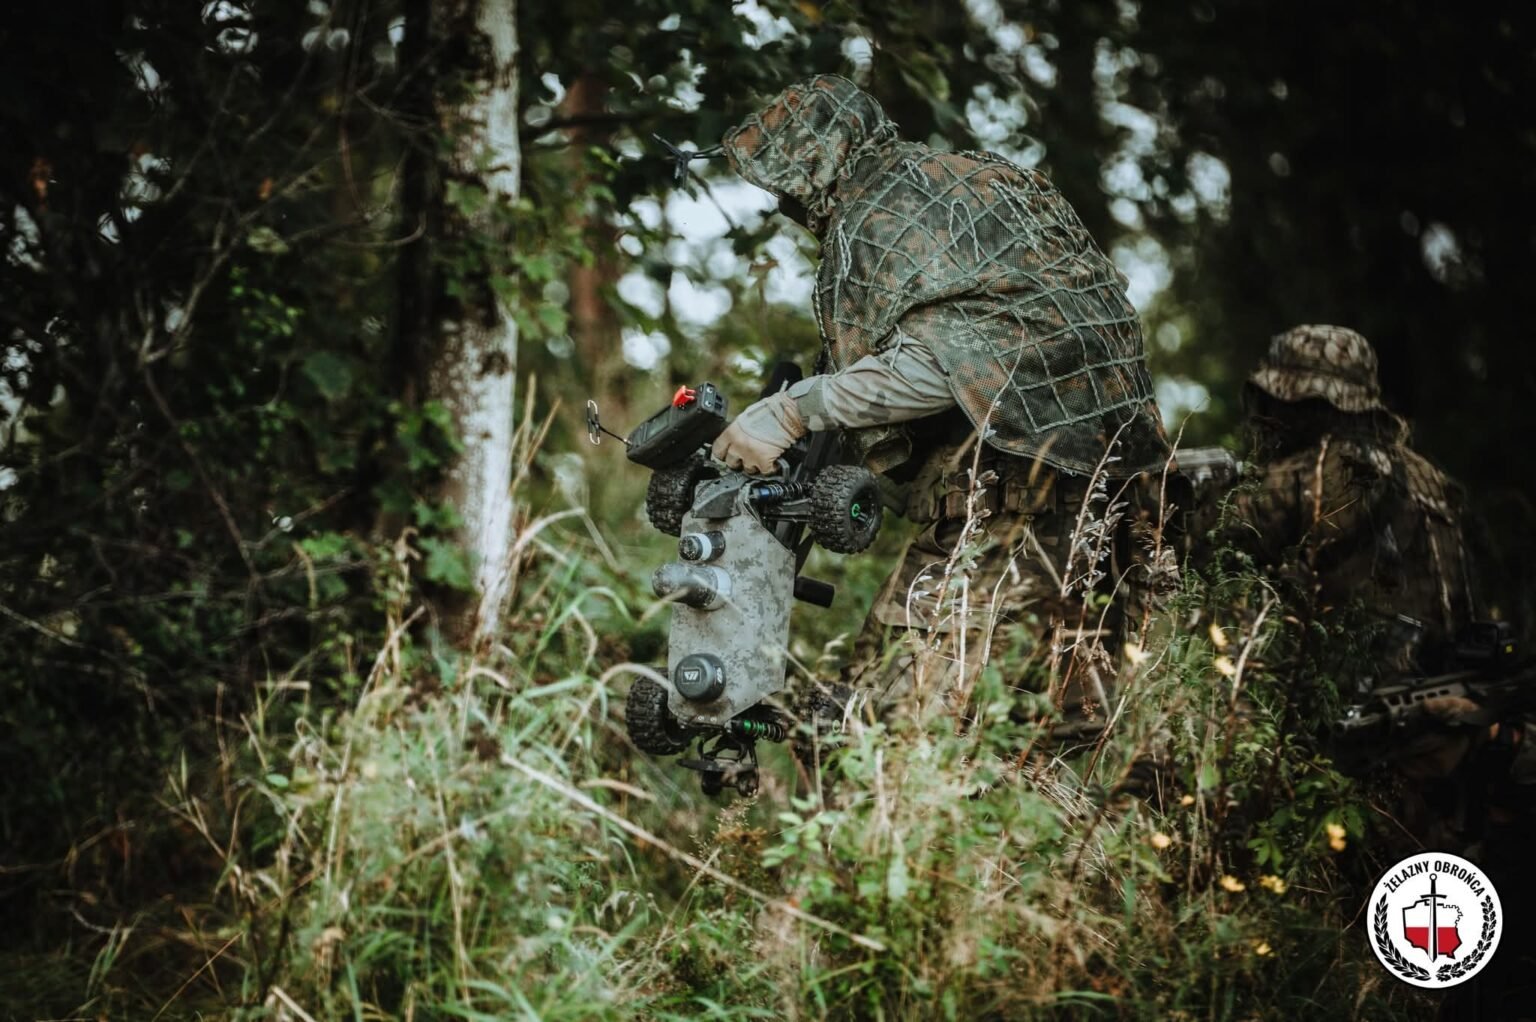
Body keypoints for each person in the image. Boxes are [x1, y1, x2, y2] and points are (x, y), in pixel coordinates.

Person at [705, 75, 1172, 739]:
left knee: (880, 729)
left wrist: (789, 412)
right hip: (1118, 501)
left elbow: (939, 367)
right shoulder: (970, 184)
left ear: (816, 165)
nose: (786, 204)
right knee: (1049, 741)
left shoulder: (876, 218)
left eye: (787, 183)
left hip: (1010, 505)